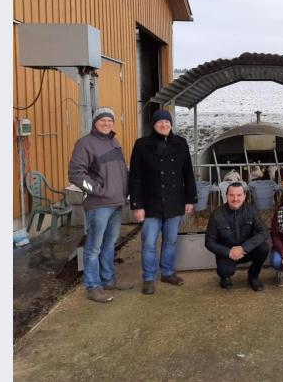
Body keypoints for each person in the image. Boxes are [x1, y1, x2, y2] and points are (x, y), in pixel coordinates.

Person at [128, 109, 197, 295]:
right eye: (160, 122)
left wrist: (190, 199)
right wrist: (137, 205)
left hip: (175, 202)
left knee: (171, 241)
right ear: (154, 125)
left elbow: (188, 174)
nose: (164, 125)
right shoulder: (142, 145)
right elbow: (135, 177)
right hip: (150, 203)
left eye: (167, 122)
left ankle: (167, 272)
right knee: (149, 242)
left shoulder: (180, 143)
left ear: (171, 124)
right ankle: (149, 278)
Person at [69, 106, 132, 303]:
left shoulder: (114, 141)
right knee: (94, 247)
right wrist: (98, 190)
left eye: (109, 120)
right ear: (95, 122)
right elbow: (76, 174)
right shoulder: (85, 144)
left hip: (116, 202)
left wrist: (126, 191)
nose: (106, 123)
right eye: (102, 120)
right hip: (99, 204)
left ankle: (108, 279)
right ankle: (93, 286)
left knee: (109, 244)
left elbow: (120, 170)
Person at [205, 182, 270, 291]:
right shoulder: (217, 214)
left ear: (244, 196)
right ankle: (225, 277)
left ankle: (253, 276)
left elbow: (264, 232)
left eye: (239, 195)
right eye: (231, 195)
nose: (235, 198)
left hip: (246, 250)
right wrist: (228, 252)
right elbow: (209, 242)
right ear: (226, 196)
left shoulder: (251, 210)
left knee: (264, 248)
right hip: (227, 253)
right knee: (225, 271)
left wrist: (243, 248)